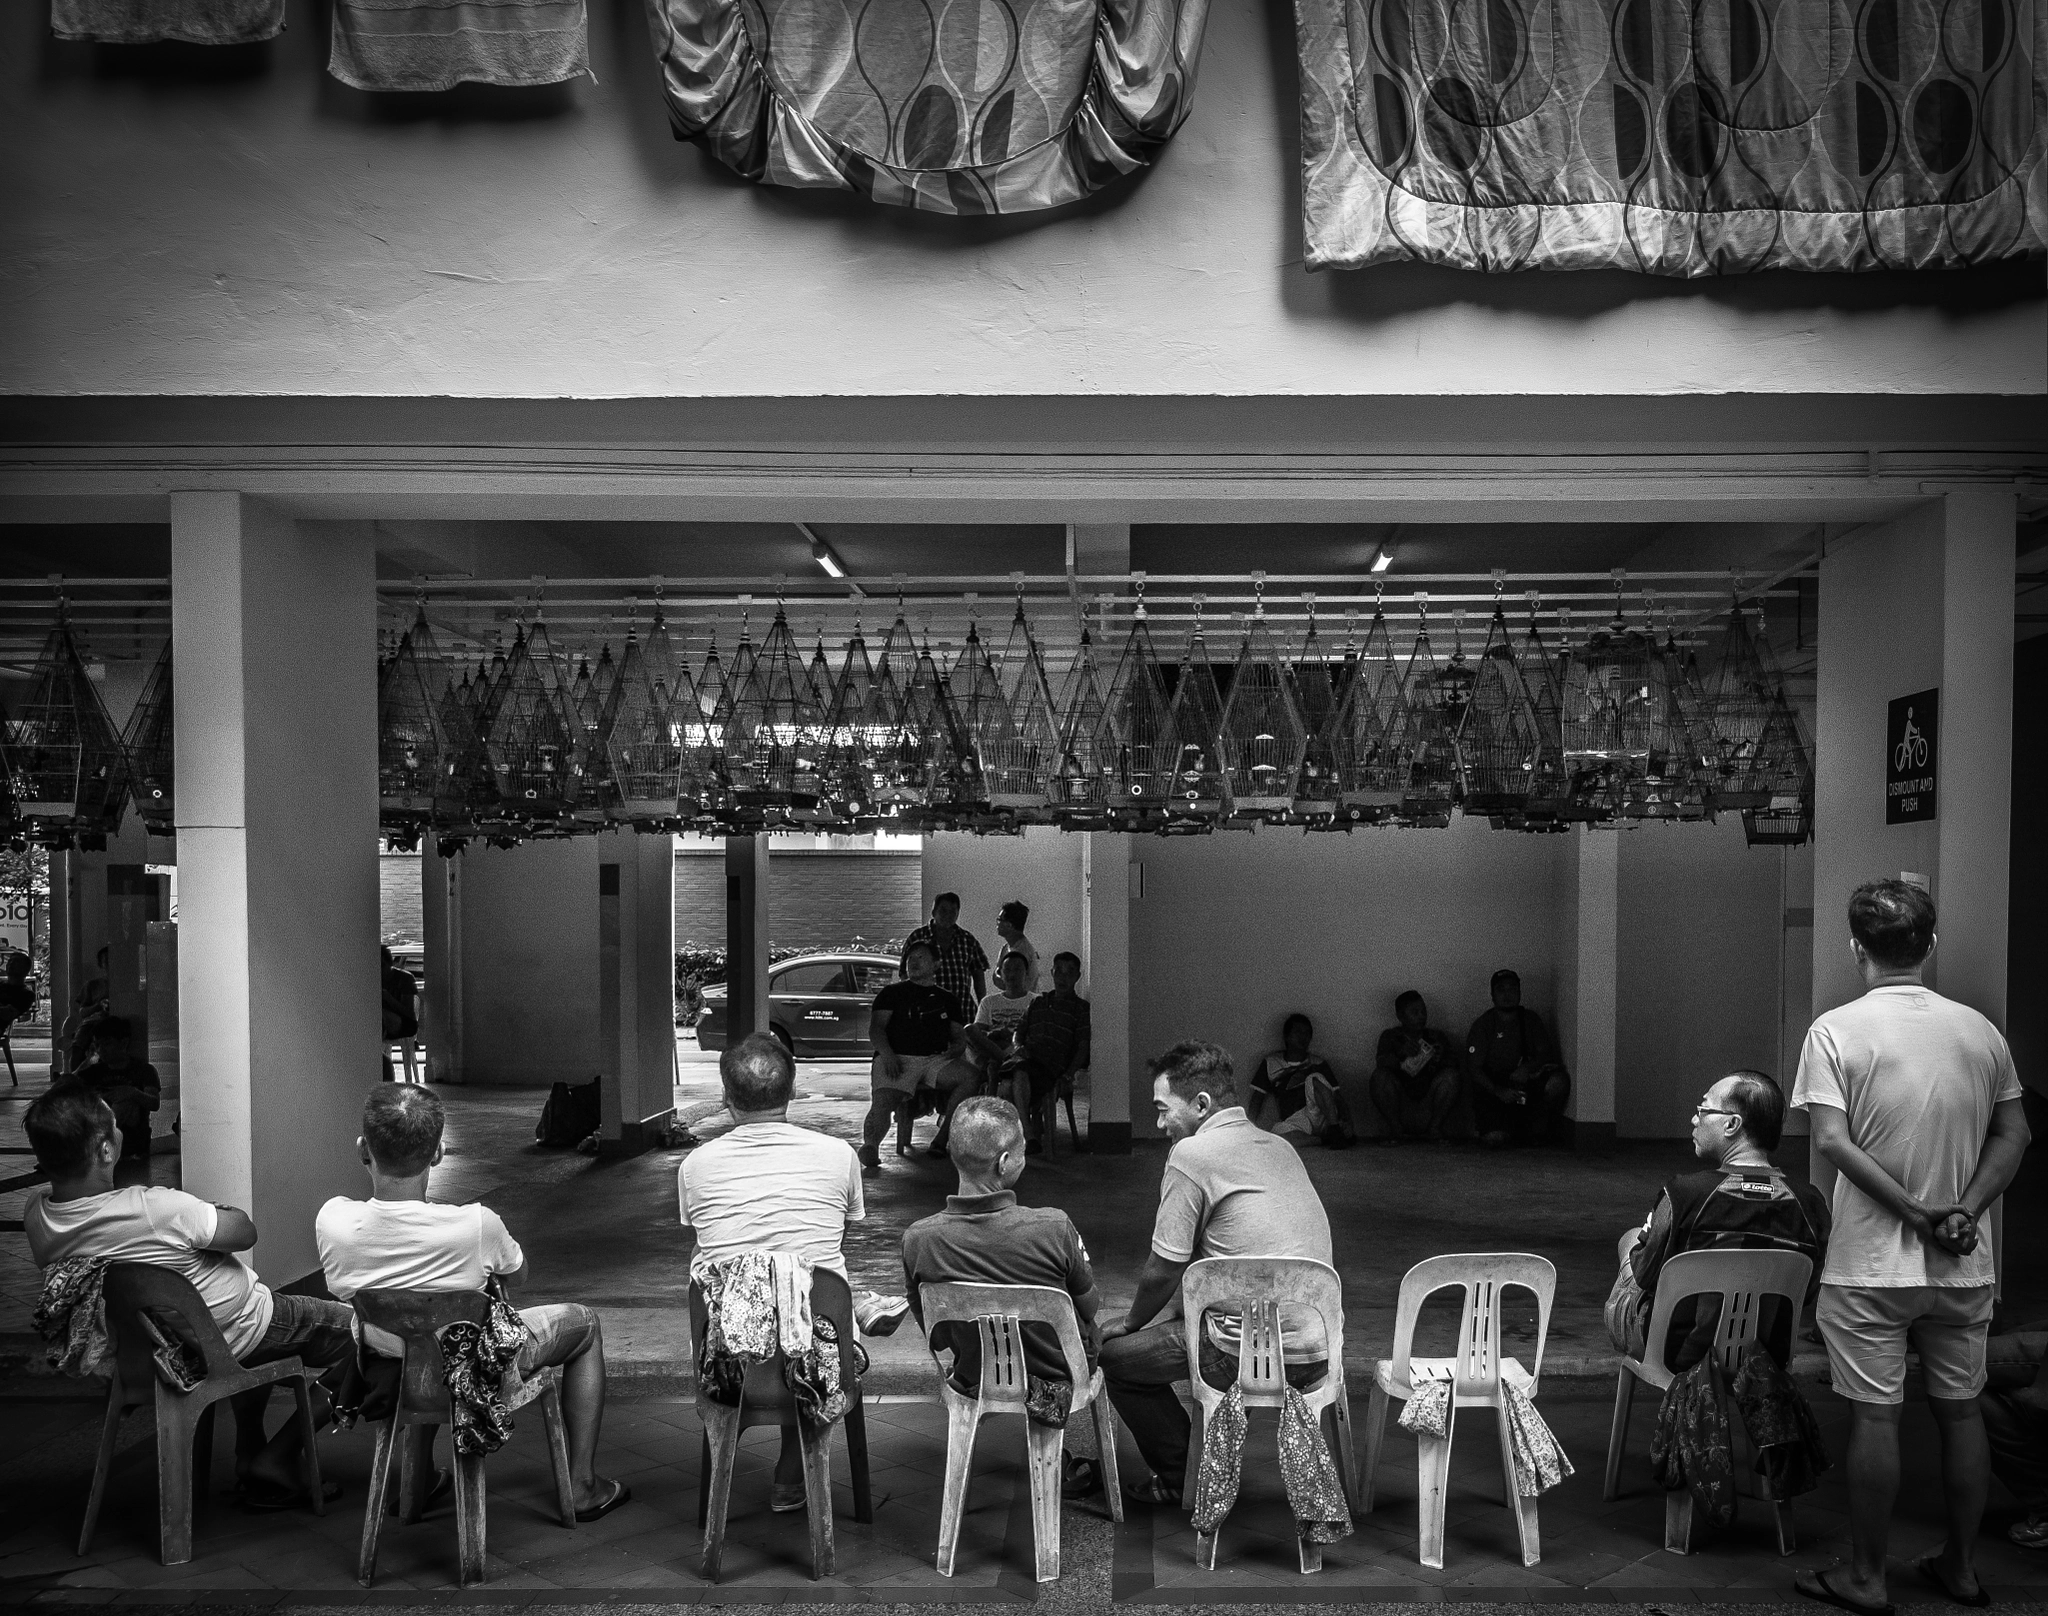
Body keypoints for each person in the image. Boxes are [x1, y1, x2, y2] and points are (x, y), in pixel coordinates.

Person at [1789, 879, 2030, 1614]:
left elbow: (1832, 1142)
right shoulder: (1981, 1031)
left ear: (1856, 946)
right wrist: (1962, 1210)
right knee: (1960, 1413)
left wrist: (1917, 1213)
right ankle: (1959, 1567)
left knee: (1876, 1416)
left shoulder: (1835, 1030)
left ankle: (1867, 1576)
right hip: (1963, 1265)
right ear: (1930, 944)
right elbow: (2015, 1133)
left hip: (1870, 1265)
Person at [25, 1082, 352, 1508]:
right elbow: (243, 1232)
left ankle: (249, 1453)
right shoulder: (153, 1208)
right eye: (114, 1126)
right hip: (243, 1331)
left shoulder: (39, 1216)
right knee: (375, 1338)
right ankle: (279, 1454)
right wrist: (215, 1209)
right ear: (106, 1151)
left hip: (164, 1351)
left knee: (252, 1337)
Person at [317, 1085, 630, 1521]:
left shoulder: (332, 1219)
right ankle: (581, 1486)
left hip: (390, 1367)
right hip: (478, 1373)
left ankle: (417, 1483)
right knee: (585, 1325)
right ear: (439, 1153)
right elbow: (518, 1273)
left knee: (421, 1341)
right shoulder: (475, 1224)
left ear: (362, 1150)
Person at [1099, 1041, 1335, 1505]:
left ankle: (1185, 1477)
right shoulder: (1281, 1146)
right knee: (1182, 1323)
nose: (1160, 1124)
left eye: (1163, 1110)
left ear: (1202, 1104)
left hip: (1244, 1349)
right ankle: (1194, 1469)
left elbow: (1164, 1268)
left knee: (1117, 1359)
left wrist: (1127, 1324)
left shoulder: (1193, 1156)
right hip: (1319, 1342)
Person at [678, 1033, 893, 1511]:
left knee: (765, 1292)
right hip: (819, 1361)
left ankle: (733, 1462)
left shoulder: (695, 1166)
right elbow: (836, 1239)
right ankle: (791, 1473)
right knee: (819, 1300)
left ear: (727, 1098)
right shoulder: (839, 1156)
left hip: (727, 1362)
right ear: (792, 1091)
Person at [901, 1096, 1103, 1492]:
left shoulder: (919, 1240)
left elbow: (938, 1335)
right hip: (1059, 1374)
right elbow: (1089, 1305)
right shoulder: (1053, 1227)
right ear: (1005, 1162)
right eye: (1024, 1148)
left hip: (976, 1376)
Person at [1604, 1069, 1829, 1371]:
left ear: (1732, 1124)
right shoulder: (1810, 1202)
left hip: (1677, 1355)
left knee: (1631, 1239)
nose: (1694, 1120)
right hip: (1767, 1358)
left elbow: (1645, 1276)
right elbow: (1808, 1293)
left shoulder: (1683, 1193)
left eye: (1703, 1110)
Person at [862, 940, 972, 1170]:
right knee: (883, 1101)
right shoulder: (891, 993)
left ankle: (941, 1139)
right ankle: (871, 1146)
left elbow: (959, 1036)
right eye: (911, 957)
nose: (913, 961)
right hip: (897, 1057)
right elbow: (876, 1029)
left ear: (936, 965)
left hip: (935, 1060)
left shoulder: (947, 998)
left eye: (921, 957)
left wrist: (957, 1049)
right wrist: (888, 1055)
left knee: (970, 1076)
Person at [1464, 969, 1570, 1146]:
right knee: (1495, 1139)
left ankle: (1540, 1126)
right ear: (1492, 995)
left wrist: (1527, 1069)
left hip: (1525, 1083)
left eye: (1512, 989)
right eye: (1501, 989)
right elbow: (1474, 1068)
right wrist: (1498, 1090)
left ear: (1520, 992)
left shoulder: (1531, 1020)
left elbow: (1546, 1053)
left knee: (1558, 1082)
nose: (1507, 995)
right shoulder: (1484, 1025)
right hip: (1495, 1087)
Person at [1006, 951, 1091, 1154]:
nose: (1063, 977)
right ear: (1052, 973)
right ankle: (1026, 1134)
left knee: (1013, 1078)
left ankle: (1026, 1136)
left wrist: (1069, 1074)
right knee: (1008, 1083)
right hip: (1028, 1059)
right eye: (1058, 971)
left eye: (1069, 972)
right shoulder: (1038, 1003)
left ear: (1077, 976)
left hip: (1052, 1065)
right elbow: (1019, 1032)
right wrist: (1018, 1046)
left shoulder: (1080, 1009)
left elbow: (1083, 1047)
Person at [1368, 990, 1460, 1144]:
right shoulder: (1390, 1036)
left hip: (1429, 1105)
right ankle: (1396, 1130)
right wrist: (1400, 1055)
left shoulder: (1437, 1037)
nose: (1421, 1016)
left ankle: (1435, 1129)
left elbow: (1456, 1066)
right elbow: (1381, 1063)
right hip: (1401, 1104)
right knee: (1379, 1077)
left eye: (1424, 1011)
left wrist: (1441, 1058)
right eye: (1415, 1012)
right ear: (1401, 1016)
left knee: (1451, 1077)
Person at [1247, 1013, 1350, 1147]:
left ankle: (1334, 1129)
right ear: (1287, 1036)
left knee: (1313, 1078)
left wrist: (1348, 1122)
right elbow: (1258, 1097)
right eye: (1298, 1032)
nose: (1303, 1037)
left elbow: (1336, 1096)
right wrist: (1249, 1128)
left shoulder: (1318, 1063)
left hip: (1320, 1115)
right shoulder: (1271, 1063)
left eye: (1307, 1033)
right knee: (1277, 1138)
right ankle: (1326, 1140)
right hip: (1296, 1121)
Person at [71, 1016, 161, 1162]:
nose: (101, 1050)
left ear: (123, 1043)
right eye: (97, 1045)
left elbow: (154, 1103)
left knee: (125, 1104)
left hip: (130, 1138)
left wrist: (132, 1093)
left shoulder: (143, 1070)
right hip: (96, 1128)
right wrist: (87, 1063)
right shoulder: (93, 1071)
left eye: (107, 1044)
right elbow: (63, 1088)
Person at [967, 950, 1037, 1100]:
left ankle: (1000, 1062)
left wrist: (1011, 1036)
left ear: (1026, 972)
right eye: (1007, 969)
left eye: (1017, 969)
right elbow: (978, 1031)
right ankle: (1004, 1059)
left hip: (1018, 1046)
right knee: (968, 1030)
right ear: (1000, 973)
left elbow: (1036, 1033)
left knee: (1017, 1045)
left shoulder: (1036, 1001)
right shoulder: (989, 1001)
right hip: (993, 1045)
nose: (1012, 974)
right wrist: (995, 1033)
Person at [906, 892, 990, 1012]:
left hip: (963, 1010)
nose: (948, 915)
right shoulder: (917, 938)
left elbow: (978, 976)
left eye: (952, 912)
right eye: (943, 910)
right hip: (926, 1011)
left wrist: (983, 1009)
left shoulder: (967, 940)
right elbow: (905, 975)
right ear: (934, 912)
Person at [380, 947, 419, 1083]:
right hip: (384, 1024)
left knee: (381, 1016)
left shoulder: (405, 979)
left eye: (382, 966)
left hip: (406, 1024)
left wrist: (388, 998)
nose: (380, 971)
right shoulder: (372, 980)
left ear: (390, 963)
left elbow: (409, 1013)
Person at [993, 900, 1040, 993]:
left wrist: (998, 975)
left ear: (1009, 925)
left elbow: (1009, 984)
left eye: (999, 919)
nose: (997, 923)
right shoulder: (1005, 948)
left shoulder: (1024, 951)